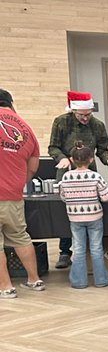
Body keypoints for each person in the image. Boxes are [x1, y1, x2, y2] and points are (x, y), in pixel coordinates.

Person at [48, 91, 108, 270]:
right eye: (82, 115)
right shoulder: (61, 122)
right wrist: (62, 158)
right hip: (66, 171)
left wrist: (107, 160)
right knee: (66, 211)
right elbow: (53, 147)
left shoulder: (97, 125)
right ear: (74, 111)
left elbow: (102, 149)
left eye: (88, 114)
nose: (85, 118)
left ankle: (92, 252)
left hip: (88, 171)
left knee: (89, 210)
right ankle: (64, 252)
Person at [0, 89, 44, 298]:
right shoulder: (25, 127)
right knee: (20, 236)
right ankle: (34, 280)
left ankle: (6, 287)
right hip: (14, 195)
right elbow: (34, 166)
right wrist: (18, 183)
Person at [58, 142, 108, 289]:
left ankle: (78, 282)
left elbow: (63, 197)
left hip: (75, 218)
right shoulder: (95, 176)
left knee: (78, 249)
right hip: (94, 217)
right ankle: (101, 280)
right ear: (91, 159)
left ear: (72, 160)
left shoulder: (66, 178)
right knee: (96, 249)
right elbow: (106, 197)